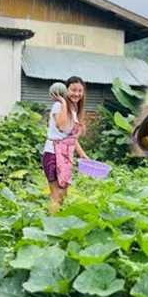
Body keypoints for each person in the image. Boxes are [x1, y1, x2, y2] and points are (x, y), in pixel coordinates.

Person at [42, 76, 89, 214]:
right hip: (53, 154)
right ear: (66, 90)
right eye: (73, 90)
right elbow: (61, 126)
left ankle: (58, 224)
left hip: (65, 155)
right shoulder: (59, 105)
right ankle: (50, 227)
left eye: (80, 91)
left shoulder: (74, 110)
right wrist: (62, 101)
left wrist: (84, 156)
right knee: (56, 195)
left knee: (63, 195)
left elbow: (72, 138)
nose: (77, 94)